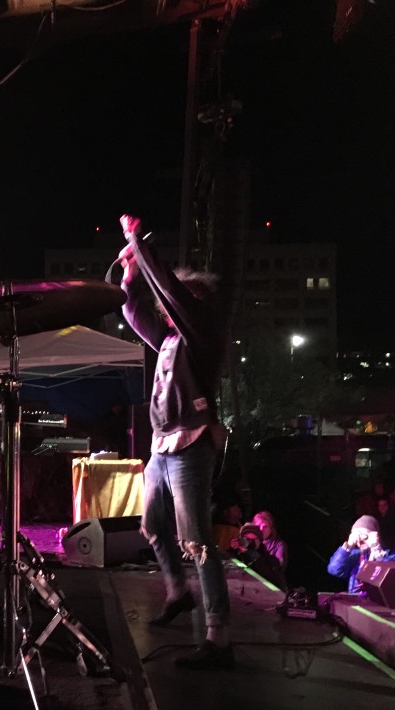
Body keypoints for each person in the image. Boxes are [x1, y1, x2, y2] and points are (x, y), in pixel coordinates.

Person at [118, 213, 233, 670]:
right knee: (152, 525)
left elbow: (170, 291)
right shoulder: (167, 338)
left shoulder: (202, 334)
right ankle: (178, 593)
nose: (171, 306)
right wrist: (129, 275)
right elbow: (134, 312)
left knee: (198, 541)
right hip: (162, 446)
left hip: (191, 445)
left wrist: (138, 244)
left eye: (185, 299)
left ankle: (219, 638)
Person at [327, 515, 395, 595]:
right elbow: (334, 570)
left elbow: (390, 576)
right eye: (357, 536)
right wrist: (347, 548)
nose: (360, 540)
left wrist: (376, 548)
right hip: (357, 601)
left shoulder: (391, 556)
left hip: (378, 603)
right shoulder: (355, 556)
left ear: (376, 536)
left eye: (364, 536)